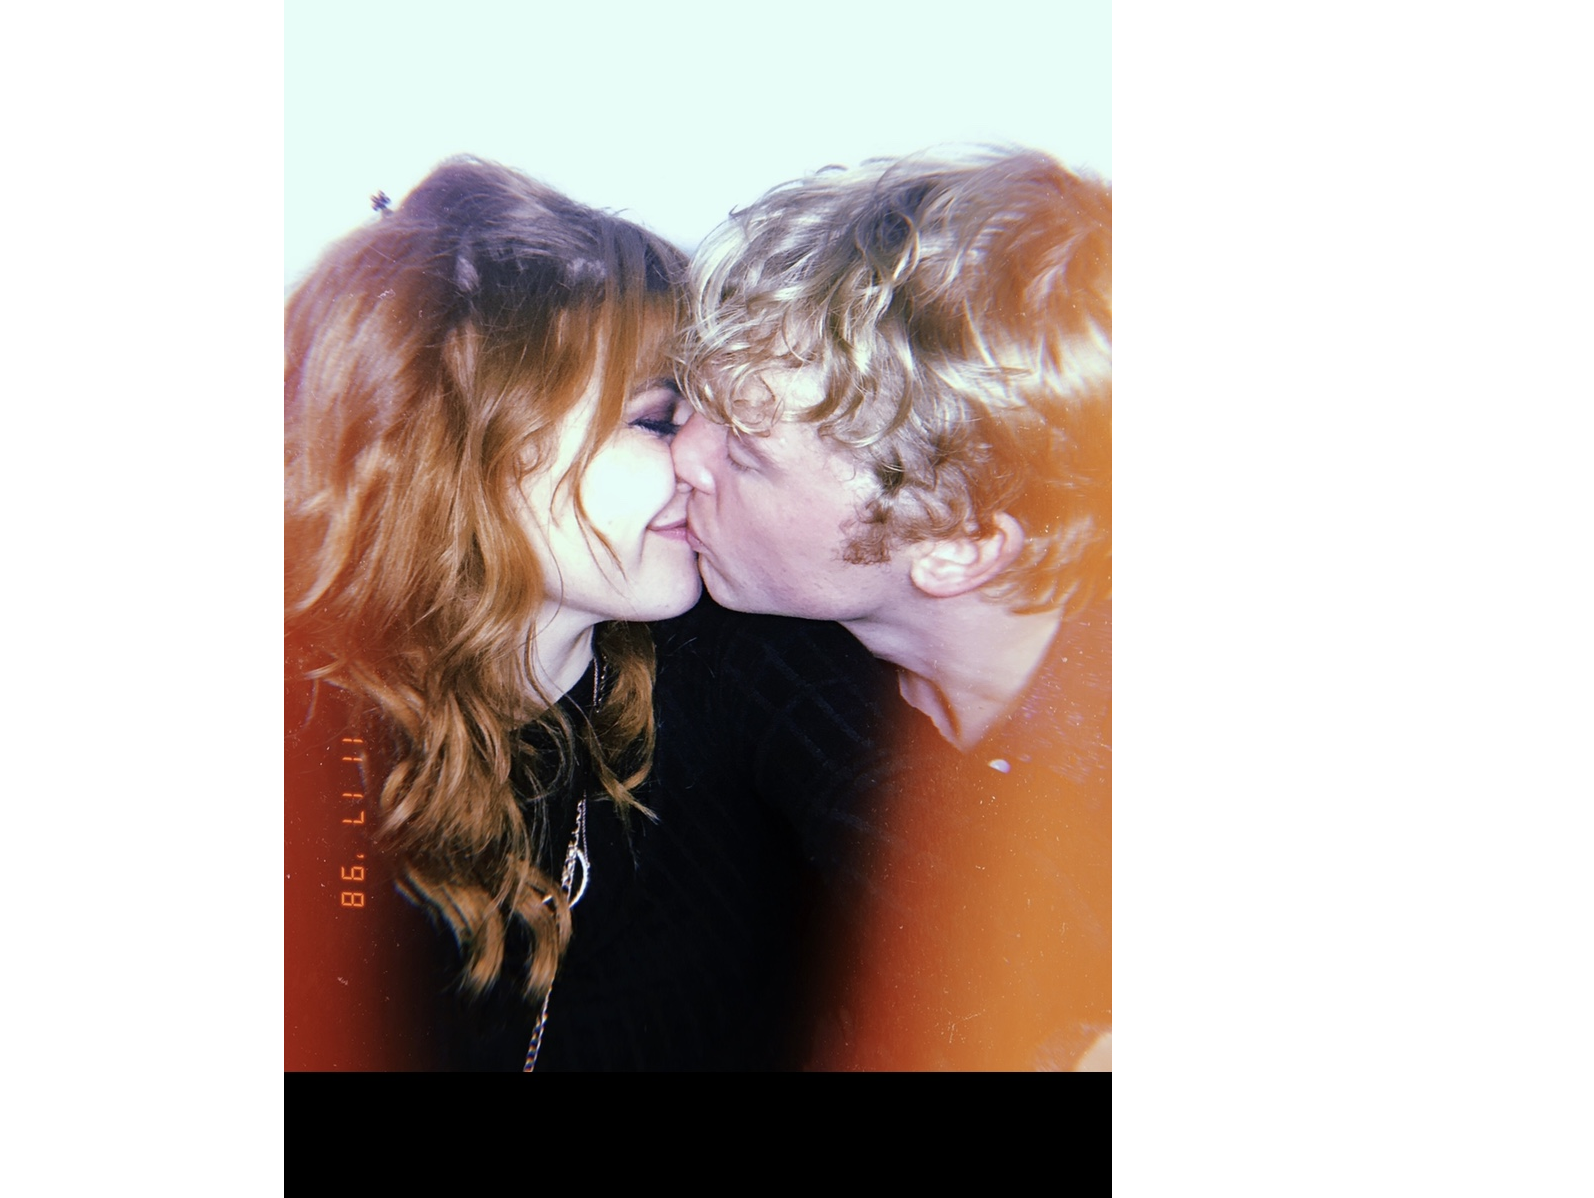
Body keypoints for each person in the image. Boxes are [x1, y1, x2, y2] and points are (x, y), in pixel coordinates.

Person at [284, 157, 888, 1071]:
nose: (700, 460)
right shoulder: (311, 746)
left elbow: (949, 866)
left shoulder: (740, 653)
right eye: (658, 419)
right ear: (455, 452)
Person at [674, 147, 1112, 1071]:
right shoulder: (779, 664)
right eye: (694, 407)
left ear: (955, 545)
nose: (684, 456)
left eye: (746, 453)